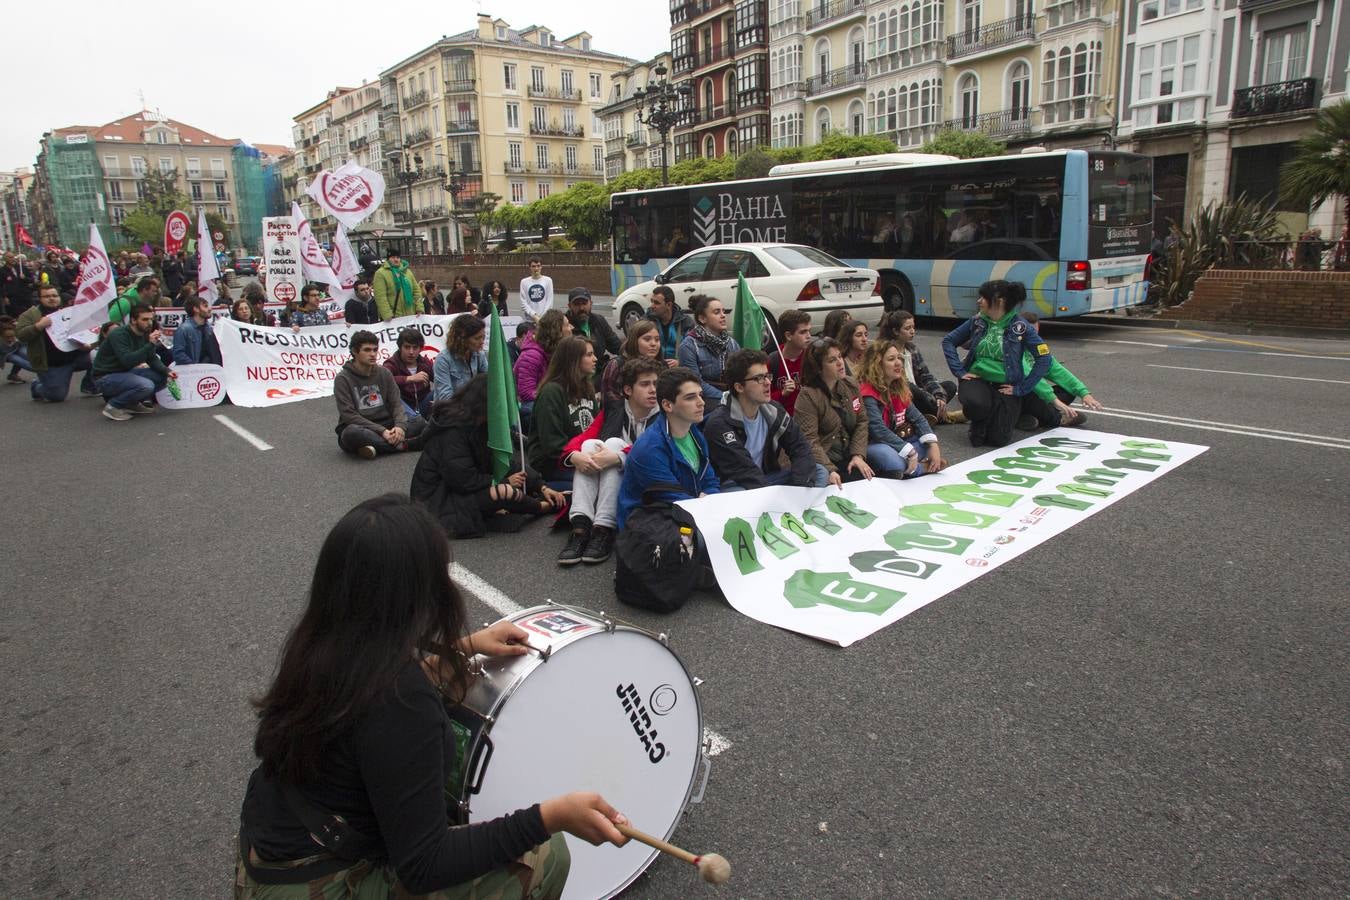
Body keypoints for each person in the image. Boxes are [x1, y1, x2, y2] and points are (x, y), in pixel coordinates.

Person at [234, 494, 623, 897]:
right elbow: (425, 864)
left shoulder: (323, 642)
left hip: (271, 855)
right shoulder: (403, 702)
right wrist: (550, 816)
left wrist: (464, 647)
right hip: (313, 882)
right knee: (546, 858)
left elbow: (367, 705)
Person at [411, 377, 568, 538]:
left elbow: (503, 462)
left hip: (460, 491)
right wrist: (503, 481)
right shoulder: (452, 431)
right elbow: (462, 480)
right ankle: (542, 507)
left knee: (507, 488)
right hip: (438, 501)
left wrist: (541, 486)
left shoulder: (480, 425)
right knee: (503, 491)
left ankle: (544, 499)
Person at [556, 357, 663, 566]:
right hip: (611, 481)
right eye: (645, 384)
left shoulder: (664, 413)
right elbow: (583, 438)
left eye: (656, 384)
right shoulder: (615, 409)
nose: (653, 390)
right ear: (628, 390)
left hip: (646, 484)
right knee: (589, 447)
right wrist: (574, 456)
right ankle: (581, 527)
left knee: (614, 444)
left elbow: (657, 450)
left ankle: (604, 527)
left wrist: (619, 456)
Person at [940, 279, 1059, 447]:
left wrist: (1022, 388)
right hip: (977, 379)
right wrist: (959, 371)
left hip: (1006, 385)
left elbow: (1044, 358)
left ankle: (1004, 416)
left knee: (998, 440)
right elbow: (948, 341)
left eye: (983, 297)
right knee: (977, 408)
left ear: (999, 300)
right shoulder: (977, 321)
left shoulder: (1021, 326)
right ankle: (978, 424)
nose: (978, 301)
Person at [702, 349, 827, 492]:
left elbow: (800, 447)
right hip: (736, 484)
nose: (768, 383)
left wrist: (799, 487)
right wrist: (776, 497)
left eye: (767, 376)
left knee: (819, 471)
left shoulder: (774, 410)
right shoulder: (719, 424)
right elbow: (744, 471)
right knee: (737, 492)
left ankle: (799, 507)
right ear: (739, 387)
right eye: (759, 378)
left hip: (768, 478)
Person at [616, 367, 719, 529]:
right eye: (691, 397)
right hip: (648, 523)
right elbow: (670, 497)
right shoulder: (649, 448)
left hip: (688, 508)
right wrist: (705, 505)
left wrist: (710, 497)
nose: (701, 402)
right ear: (667, 405)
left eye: (700, 395)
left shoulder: (694, 433)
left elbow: (710, 480)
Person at [857, 339, 945, 477]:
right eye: (891, 359)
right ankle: (920, 468)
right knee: (893, 461)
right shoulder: (867, 393)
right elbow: (878, 431)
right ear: (877, 365)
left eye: (899, 357)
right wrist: (909, 452)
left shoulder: (898, 388)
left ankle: (909, 468)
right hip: (874, 443)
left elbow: (918, 418)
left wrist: (933, 444)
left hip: (897, 440)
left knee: (926, 446)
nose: (898, 363)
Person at [794, 337, 875, 487]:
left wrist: (858, 455)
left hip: (850, 451)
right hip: (824, 458)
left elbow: (862, 421)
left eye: (840, 357)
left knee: (885, 466)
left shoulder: (850, 385)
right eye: (832, 360)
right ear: (818, 368)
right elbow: (809, 440)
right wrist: (830, 469)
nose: (840, 363)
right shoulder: (808, 396)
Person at [333, 330, 427, 458]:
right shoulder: (343, 378)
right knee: (350, 433)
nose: (372, 354)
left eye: (375, 350)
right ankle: (404, 445)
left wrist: (400, 427)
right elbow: (349, 415)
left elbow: (396, 403)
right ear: (355, 352)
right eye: (367, 350)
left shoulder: (384, 373)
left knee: (419, 422)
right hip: (363, 427)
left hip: (387, 423)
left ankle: (374, 447)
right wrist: (381, 431)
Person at [525, 336, 599, 485]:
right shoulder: (551, 392)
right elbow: (551, 443)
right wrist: (573, 455)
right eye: (589, 355)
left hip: (584, 454)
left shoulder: (587, 388)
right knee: (595, 482)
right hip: (555, 463)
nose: (595, 359)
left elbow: (596, 427)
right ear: (573, 360)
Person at [16, 283, 97, 403]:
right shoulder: (31, 314)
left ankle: (89, 385)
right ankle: (37, 387)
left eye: (54, 295)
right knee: (56, 396)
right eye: (47, 296)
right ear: (40, 299)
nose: (51, 298)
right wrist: (38, 326)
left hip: (77, 357)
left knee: (99, 355)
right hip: (53, 364)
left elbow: (88, 333)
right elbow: (20, 336)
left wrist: (88, 346)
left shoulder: (69, 312)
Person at [91, 302, 171, 421]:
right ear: (133, 320)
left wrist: (167, 371)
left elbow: (151, 358)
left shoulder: (144, 334)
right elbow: (127, 361)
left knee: (163, 377)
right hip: (105, 377)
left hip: (124, 373)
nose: (149, 323)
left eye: (150, 319)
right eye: (144, 319)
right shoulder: (119, 334)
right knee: (146, 385)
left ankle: (131, 404)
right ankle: (113, 407)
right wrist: (150, 344)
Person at [880, 310, 962, 425]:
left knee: (950, 386)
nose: (912, 331)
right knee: (911, 388)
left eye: (913, 327)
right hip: (900, 395)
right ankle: (944, 416)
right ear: (895, 331)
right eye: (907, 328)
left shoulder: (912, 349)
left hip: (920, 396)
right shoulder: (886, 351)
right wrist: (927, 396)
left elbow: (926, 376)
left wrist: (939, 397)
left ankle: (930, 414)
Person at [1018, 312, 1099, 426]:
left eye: (1034, 332)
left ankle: (1028, 418)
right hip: (1016, 395)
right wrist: (1054, 400)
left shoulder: (1038, 347)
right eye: (1029, 332)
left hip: (1033, 392)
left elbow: (1058, 372)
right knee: (1035, 396)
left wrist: (1084, 393)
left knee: (1068, 390)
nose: (1033, 336)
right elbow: (1031, 378)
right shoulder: (1012, 347)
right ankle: (1057, 419)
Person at [676, 294, 739, 403]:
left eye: (723, 311)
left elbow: (741, 374)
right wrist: (725, 398)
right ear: (702, 318)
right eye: (717, 312)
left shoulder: (732, 344)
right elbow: (695, 383)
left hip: (732, 397)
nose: (723, 315)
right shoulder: (689, 346)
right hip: (703, 400)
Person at [513, 309, 570, 423]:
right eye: (567, 325)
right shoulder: (531, 356)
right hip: (529, 408)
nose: (571, 328)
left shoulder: (553, 351)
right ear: (557, 331)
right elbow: (526, 393)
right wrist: (556, 400)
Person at [599, 319, 660, 402]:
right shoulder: (617, 365)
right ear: (634, 341)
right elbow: (610, 400)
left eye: (657, 339)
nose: (653, 344)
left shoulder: (660, 366)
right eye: (647, 339)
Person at [431, 314, 487, 402]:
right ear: (462, 339)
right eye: (477, 338)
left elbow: (489, 382)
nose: (482, 342)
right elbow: (445, 398)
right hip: (452, 411)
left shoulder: (480, 355)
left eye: (483, 337)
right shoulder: (443, 360)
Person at [384, 327, 437, 419]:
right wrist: (409, 378)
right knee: (392, 398)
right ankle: (417, 421)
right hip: (402, 407)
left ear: (420, 349)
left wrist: (439, 398)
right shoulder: (391, 363)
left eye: (415, 348)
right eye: (407, 347)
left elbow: (440, 379)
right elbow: (383, 380)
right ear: (400, 347)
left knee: (440, 391)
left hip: (423, 404)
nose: (411, 352)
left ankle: (419, 421)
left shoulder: (425, 363)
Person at [767, 309, 811, 414]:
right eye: (803, 332)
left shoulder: (812, 357)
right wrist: (782, 393)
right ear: (788, 336)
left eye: (809, 330)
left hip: (810, 417)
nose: (809, 336)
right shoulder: (772, 362)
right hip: (783, 419)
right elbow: (763, 398)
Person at [565, 287, 621, 368]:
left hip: (599, 370)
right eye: (577, 304)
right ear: (569, 306)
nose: (581, 308)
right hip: (575, 373)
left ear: (591, 303)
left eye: (584, 303)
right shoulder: (564, 325)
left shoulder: (599, 320)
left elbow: (616, 345)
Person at [644, 284, 693, 363]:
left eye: (656, 303)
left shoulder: (685, 322)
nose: (652, 306)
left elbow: (693, 350)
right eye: (652, 301)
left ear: (669, 305)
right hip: (653, 365)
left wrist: (680, 362)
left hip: (677, 369)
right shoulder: (646, 319)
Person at [171, 295, 222, 366]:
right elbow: (178, 354)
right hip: (193, 372)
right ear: (196, 309)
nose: (210, 308)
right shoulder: (184, 329)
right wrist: (195, 367)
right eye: (205, 306)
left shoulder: (209, 328)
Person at [373, 250, 424, 320]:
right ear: (388, 259)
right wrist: (387, 314)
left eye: (398, 257)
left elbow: (416, 291)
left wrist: (419, 308)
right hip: (394, 317)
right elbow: (380, 297)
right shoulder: (380, 274)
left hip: (411, 316)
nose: (396, 260)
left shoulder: (407, 271)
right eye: (393, 257)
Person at [518, 256, 553, 322]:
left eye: (538, 266)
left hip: (544, 320)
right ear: (530, 267)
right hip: (529, 320)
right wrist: (534, 316)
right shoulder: (524, 282)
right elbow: (523, 303)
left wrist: (542, 317)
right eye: (533, 266)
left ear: (541, 267)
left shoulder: (548, 280)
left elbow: (549, 301)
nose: (536, 268)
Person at [1, 315, 34, 383]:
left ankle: (13, 375)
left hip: (18, 347)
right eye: (7, 337)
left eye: (12, 336)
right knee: (18, 360)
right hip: (6, 354)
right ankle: (42, 371)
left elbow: (26, 340)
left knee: (27, 355)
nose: (10, 339)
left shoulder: (17, 331)